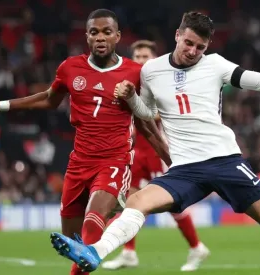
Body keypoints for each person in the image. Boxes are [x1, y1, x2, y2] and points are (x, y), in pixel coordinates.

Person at [50, 11, 260, 275]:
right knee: (137, 201)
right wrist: (133, 97)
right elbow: (146, 113)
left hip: (225, 161)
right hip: (185, 169)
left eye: (200, 47)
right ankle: (95, 252)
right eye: (189, 43)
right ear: (177, 35)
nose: (193, 51)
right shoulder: (152, 71)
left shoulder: (216, 64)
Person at [0, 9, 169, 275]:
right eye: (94, 32)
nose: (100, 37)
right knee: (74, 242)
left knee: (93, 224)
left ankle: (115, 208)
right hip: (79, 163)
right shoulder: (71, 68)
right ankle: (111, 223)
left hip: (114, 161)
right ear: (86, 36)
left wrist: (176, 164)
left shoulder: (134, 73)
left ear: (117, 36)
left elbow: (147, 125)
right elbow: (49, 98)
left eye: (107, 32)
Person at [101, 40, 209, 272]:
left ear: (154, 59)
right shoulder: (128, 82)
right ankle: (129, 253)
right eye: (137, 56)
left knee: (170, 202)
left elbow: (164, 113)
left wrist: (135, 106)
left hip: (155, 149)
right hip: (135, 150)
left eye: (145, 56)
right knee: (130, 201)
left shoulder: (162, 82)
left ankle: (196, 246)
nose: (141, 60)